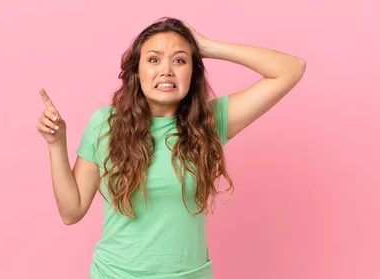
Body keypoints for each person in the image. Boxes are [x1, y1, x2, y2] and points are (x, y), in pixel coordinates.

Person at [36, 17, 306, 279]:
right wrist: (57, 144)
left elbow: (290, 69)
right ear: (136, 71)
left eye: (180, 60)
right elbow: (71, 212)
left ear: (193, 72)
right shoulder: (105, 124)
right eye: (154, 60)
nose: (166, 70)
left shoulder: (208, 123)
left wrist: (210, 47)